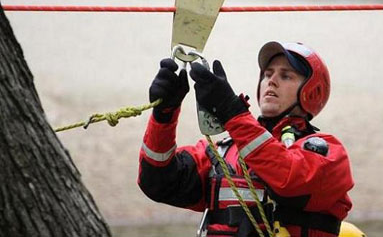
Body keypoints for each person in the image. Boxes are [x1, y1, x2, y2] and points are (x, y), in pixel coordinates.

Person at [138, 41, 354, 237]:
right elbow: (156, 182)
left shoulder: (329, 152)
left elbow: (289, 179)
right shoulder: (220, 152)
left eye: (286, 75)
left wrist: (231, 111)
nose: (272, 81)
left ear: (311, 92)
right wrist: (164, 116)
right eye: (267, 74)